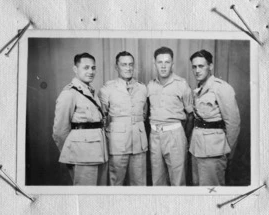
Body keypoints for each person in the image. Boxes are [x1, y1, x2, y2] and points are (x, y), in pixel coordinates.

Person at [52, 53, 108, 186]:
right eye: (86, 67)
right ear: (75, 69)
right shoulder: (69, 93)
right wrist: (71, 153)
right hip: (81, 155)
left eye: (93, 68)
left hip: (98, 153)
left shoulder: (90, 92)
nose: (91, 71)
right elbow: (59, 132)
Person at [189, 49, 240, 186]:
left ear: (210, 66)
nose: (197, 70)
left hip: (214, 151)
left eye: (201, 66)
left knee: (211, 190)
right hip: (197, 147)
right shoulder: (199, 88)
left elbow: (233, 123)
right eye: (194, 67)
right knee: (197, 187)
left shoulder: (222, 88)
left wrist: (226, 150)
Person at [98, 51, 148, 186]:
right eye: (124, 64)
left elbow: (144, 114)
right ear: (116, 67)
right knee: (116, 184)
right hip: (117, 145)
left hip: (139, 144)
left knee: (139, 185)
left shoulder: (142, 88)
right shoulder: (107, 89)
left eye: (131, 64)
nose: (128, 68)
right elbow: (102, 117)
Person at [147, 47, 194, 186]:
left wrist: (182, 136)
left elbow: (191, 115)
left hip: (175, 134)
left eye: (167, 62)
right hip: (155, 135)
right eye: (159, 62)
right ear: (154, 63)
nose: (163, 65)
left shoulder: (182, 84)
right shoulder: (150, 85)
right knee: (157, 180)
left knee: (178, 180)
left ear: (172, 64)